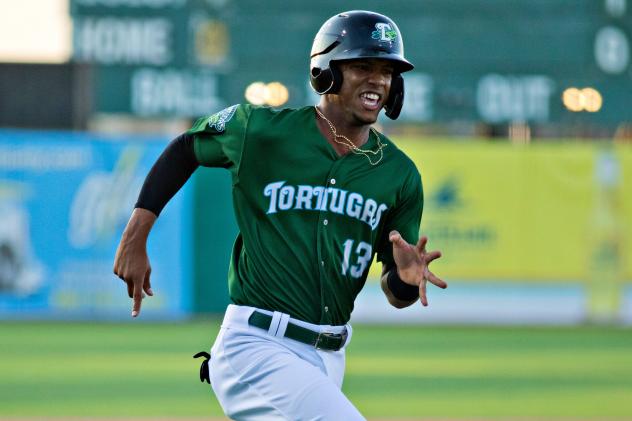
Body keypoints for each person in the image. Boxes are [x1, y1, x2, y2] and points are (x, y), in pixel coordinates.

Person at [113, 10, 447, 421]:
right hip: (256, 345)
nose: (379, 80)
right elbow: (186, 147)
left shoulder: (399, 175)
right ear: (327, 70)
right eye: (363, 65)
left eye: (388, 71)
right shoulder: (262, 131)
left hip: (328, 357)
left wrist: (407, 282)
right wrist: (135, 237)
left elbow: (396, 294)